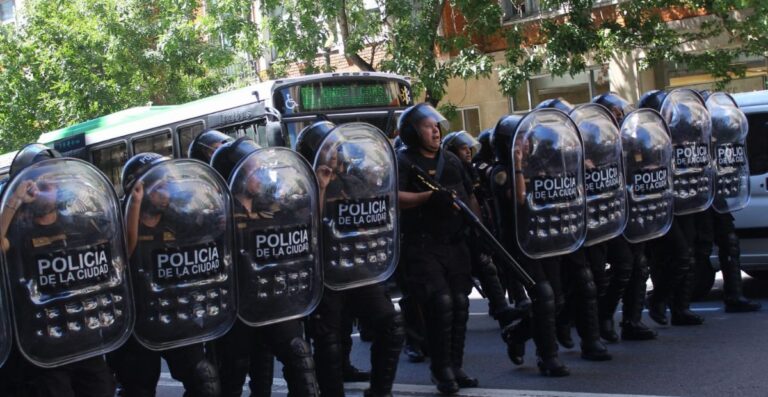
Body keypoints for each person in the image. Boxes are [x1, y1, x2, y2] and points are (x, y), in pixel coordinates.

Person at [190, 135, 321, 397]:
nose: (261, 172)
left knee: (299, 357)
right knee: (234, 375)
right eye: (253, 168)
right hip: (236, 308)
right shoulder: (211, 216)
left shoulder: (276, 205)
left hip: (275, 300)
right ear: (234, 173)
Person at [297, 121, 405, 397]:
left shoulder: (353, 179)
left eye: (337, 146)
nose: (335, 151)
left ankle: (381, 391)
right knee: (328, 341)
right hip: (325, 273)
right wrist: (319, 187)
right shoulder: (300, 186)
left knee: (390, 325)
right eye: (328, 146)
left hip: (359, 269)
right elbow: (306, 226)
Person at [0, 144, 117, 397]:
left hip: (85, 339)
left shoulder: (79, 223)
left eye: (52, 182)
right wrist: (13, 200)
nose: (45, 189)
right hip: (42, 349)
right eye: (36, 183)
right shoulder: (16, 230)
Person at [109, 153, 221, 397]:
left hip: (175, 315)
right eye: (160, 186)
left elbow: (214, 233)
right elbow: (125, 251)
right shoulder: (116, 220)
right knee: (138, 389)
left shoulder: (179, 219)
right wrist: (135, 204)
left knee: (205, 380)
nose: (167, 192)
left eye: (170, 184)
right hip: (136, 324)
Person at [396, 105, 480, 394]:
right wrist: (428, 197)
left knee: (460, 302)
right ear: (412, 131)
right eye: (427, 126)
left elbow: (469, 196)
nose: (435, 130)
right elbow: (392, 197)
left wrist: (479, 233)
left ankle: (455, 365)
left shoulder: (451, 161)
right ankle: (440, 368)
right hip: (422, 246)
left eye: (437, 126)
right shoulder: (403, 161)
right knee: (440, 303)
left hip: (455, 244)